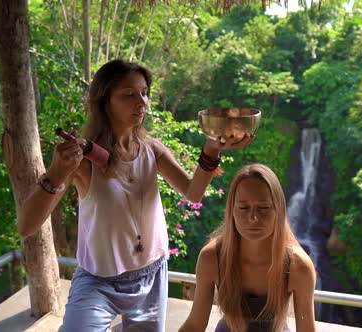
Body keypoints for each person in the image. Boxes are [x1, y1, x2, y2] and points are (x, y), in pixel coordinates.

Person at [17, 59, 254, 332]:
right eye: (128, 95)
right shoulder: (83, 161)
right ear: (105, 101)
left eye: (144, 93)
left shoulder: (152, 150)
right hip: (99, 281)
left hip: (151, 275)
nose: (141, 101)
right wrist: (57, 173)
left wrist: (212, 149)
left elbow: (193, 192)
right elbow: (27, 226)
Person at [179, 164, 317, 332]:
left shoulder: (298, 266)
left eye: (264, 208)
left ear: (279, 210)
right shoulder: (212, 257)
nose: (253, 218)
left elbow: (307, 330)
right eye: (244, 208)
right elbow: (195, 325)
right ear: (231, 211)